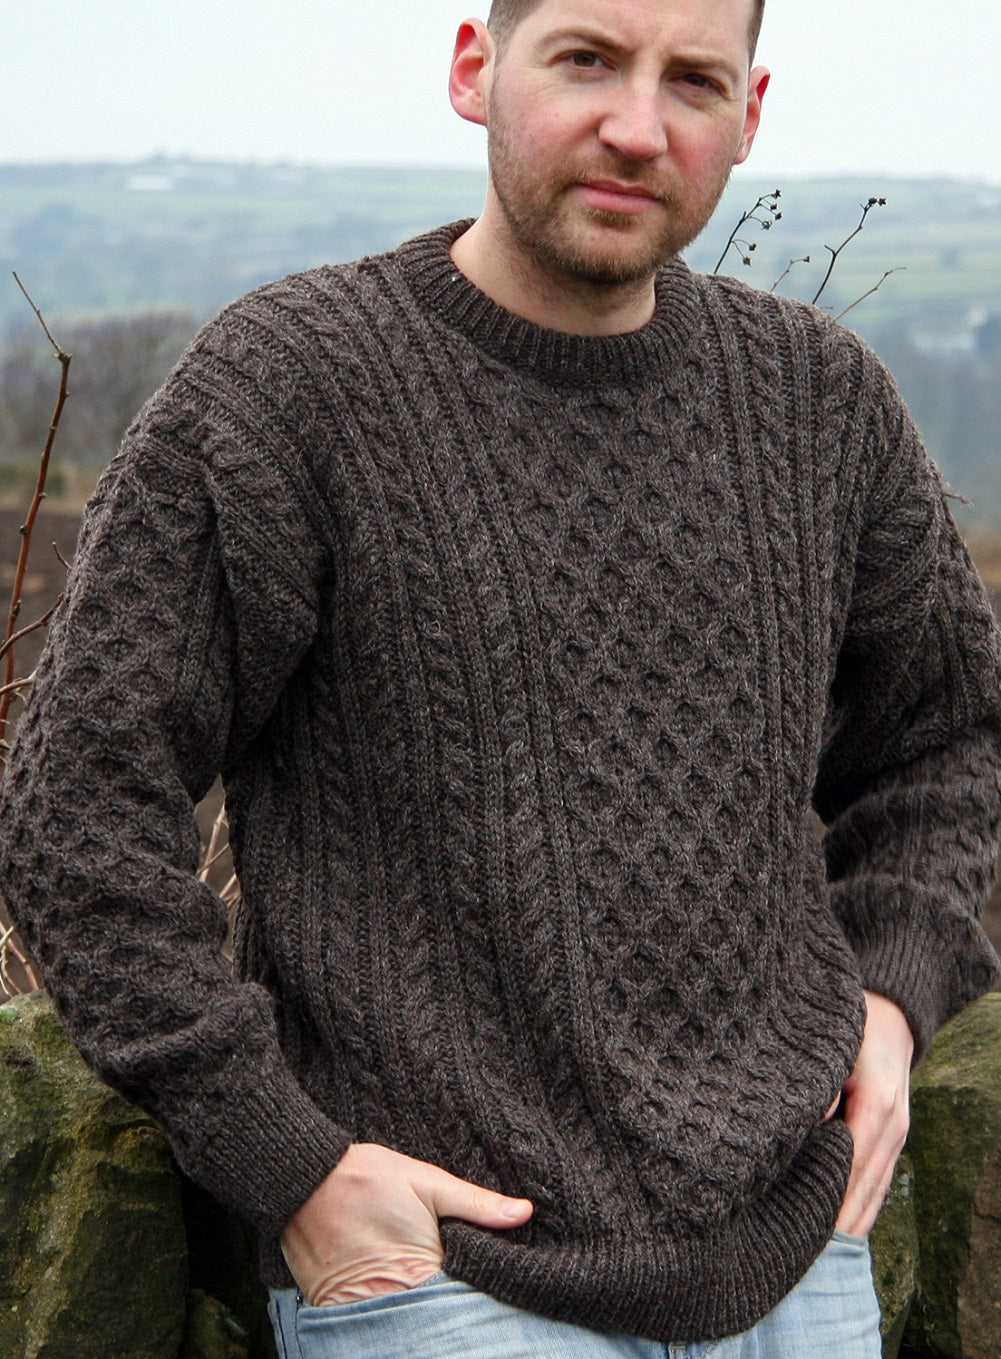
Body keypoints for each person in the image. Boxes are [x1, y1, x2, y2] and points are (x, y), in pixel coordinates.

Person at [2, 0, 1000, 1354]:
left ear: (748, 116)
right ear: (476, 71)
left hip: (794, 1258)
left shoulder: (817, 403)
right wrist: (288, 1161)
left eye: (692, 81)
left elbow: (947, 739)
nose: (636, 127)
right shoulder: (288, 392)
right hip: (436, 1281)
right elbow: (76, 806)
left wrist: (893, 994)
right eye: (585, 58)